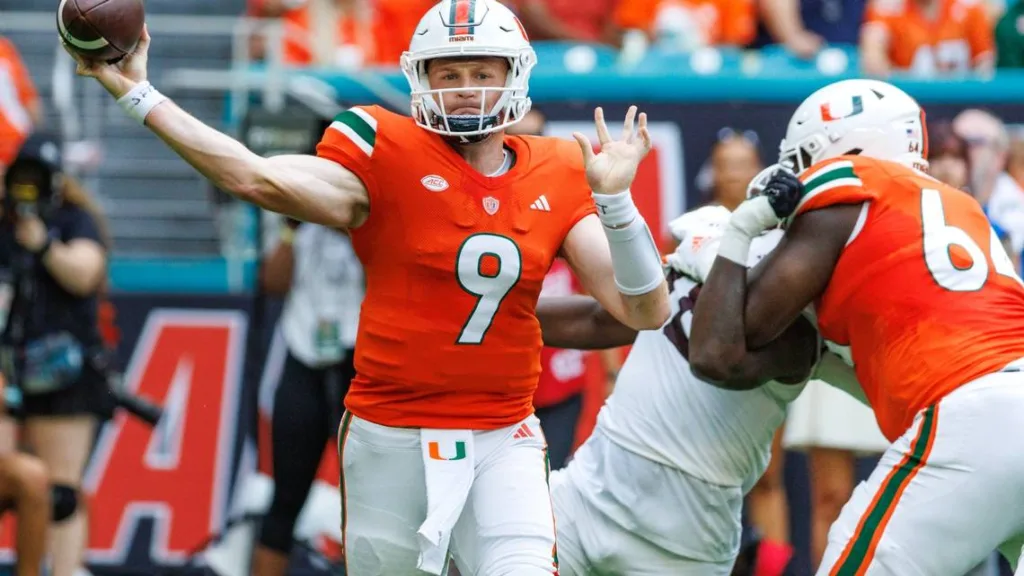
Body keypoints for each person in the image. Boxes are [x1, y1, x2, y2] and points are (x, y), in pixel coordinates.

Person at [64, 0, 670, 573]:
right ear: (421, 80)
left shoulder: (559, 167)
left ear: (515, 74)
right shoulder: (384, 148)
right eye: (449, 71)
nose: (465, 86)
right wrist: (139, 94)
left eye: (482, 70)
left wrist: (617, 204)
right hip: (390, 432)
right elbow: (257, 178)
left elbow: (644, 309)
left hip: (502, 431)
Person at [689, 78, 1024, 574]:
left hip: (971, 416)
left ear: (850, 148)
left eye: (805, 158)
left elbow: (719, 350)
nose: (797, 174)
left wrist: (739, 231)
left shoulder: (852, 186)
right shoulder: (962, 207)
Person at [535, 194, 858, 574]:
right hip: (585, 499)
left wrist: (735, 237)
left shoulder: (804, 336)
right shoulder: (702, 254)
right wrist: (484, 317)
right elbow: (598, 320)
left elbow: (715, 357)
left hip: (682, 547)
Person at [0, 133, 115, 576]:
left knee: (60, 490)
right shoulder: (3, 226)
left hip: (64, 374)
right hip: (8, 375)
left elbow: (84, 274)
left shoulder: (75, 220)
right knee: (12, 481)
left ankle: (65, 571)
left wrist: (43, 244)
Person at [250, 153, 365, 575]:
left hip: (359, 364)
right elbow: (272, 282)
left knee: (371, 501)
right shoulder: (297, 226)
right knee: (285, 498)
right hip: (305, 358)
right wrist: (292, 223)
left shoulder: (370, 216)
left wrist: (352, 221)